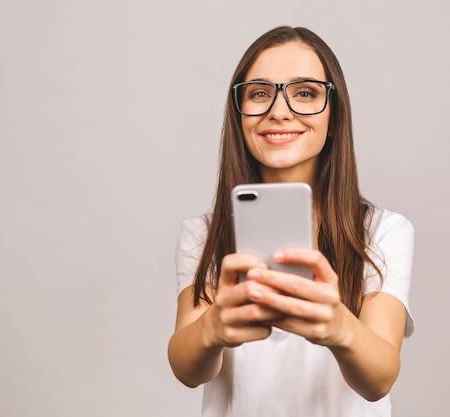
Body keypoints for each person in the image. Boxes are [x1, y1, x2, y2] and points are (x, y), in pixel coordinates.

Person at [167, 26, 414, 417]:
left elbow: (379, 379)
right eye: (260, 93)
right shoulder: (203, 235)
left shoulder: (382, 231)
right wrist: (213, 327)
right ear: (240, 116)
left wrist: (338, 327)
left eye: (305, 93)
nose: (279, 111)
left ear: (334, 117)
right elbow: (186, 367)